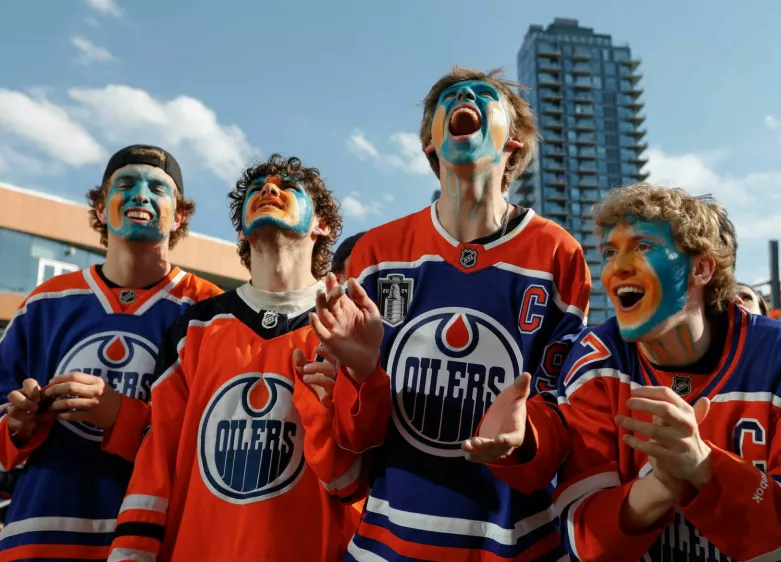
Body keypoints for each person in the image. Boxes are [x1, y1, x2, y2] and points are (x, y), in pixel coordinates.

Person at [465, 183, 781, 561]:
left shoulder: (780, 353)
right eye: (608, 253)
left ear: (702, 269)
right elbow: (585, 543)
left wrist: (706, 466)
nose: (617, 268)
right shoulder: (597, 359)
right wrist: (663, 485)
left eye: (643, 247)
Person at [309, 66, 591, 560]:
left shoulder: (558, 253)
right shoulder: (376, 251)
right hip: (386, 545)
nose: (465, 96)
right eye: (452, 97)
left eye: (486, 96)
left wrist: (524, 437)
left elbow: (566, 420)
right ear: (430, 146)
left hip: (518, 545)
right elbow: (356, 441)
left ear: (516, 143)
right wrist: (361, 372)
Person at [108, 154, 362, 561]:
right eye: (257, 188)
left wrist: (333, 409)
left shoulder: (352, 326)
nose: (269, 190)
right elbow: (157, 464)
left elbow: (355, 484)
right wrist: (130, 554)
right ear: (242, 229)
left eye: (288, 187)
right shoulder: (193, 330)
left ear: (323, 225)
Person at [0, 144, 221, 559]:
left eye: (157, 187)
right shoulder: (45, 303)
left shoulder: (209, 312)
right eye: (126, 184)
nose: (141, 195)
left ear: (181, 215)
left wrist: (124, 417)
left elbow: (212, 439)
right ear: (101, 208)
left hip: (152, 541)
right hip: (36, 535)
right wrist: (18, 424)